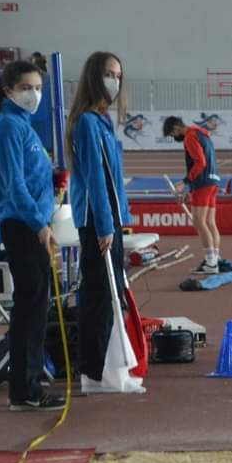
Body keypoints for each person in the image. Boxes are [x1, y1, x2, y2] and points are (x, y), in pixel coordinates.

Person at [64, 51, 135, 392]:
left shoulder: (103, 122)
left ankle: (105, 371)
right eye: (109, 74)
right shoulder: (88, 124)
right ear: (94, 76)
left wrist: (121, 216)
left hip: (109, 220)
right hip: (96, 223)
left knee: (110, 293)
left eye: (119, 75)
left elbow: (112, 177)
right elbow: (95, 179)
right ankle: (94, 374)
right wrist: (105, 225)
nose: (115, 81)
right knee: (99, 296)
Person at [0, 60, 64, 410]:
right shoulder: (9, 125)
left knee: (35, 305)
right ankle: (26, 389)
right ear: (8, 90)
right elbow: (13, 185)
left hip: (31, 222)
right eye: (26, 87)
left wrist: (53, 176)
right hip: (24, 225)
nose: (34, 94)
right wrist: (39, 225)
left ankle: (25, 387)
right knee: (31, 307)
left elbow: (31, 174)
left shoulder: (23, 126)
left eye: (38, 88)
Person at [163, 116, 222, 274]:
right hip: (213, 181)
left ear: (176, 128)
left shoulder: (190, 137)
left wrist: (185, 182)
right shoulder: (201, 134)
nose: (174, 137)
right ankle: (215, 260)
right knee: (209, 222)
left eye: (172, 134)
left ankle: (211, 264)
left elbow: (200, 162)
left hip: (203, 183)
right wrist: (191, 190)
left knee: (199, 222)